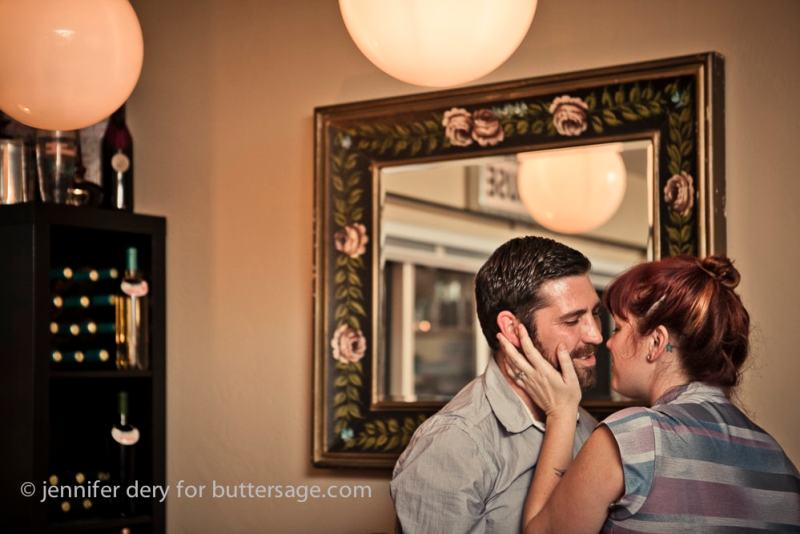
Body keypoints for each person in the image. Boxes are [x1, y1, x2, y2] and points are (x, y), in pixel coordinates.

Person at [499, 255, 800, 532]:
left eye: (618, 329)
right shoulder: (779, 460)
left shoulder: (635, 436)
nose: (606, 342)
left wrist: (561, 413)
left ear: (656, 343)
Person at [390, 236, 603, 533]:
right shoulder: (454, 443)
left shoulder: (588, 428)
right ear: (513, 329)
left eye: (595, 313)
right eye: (571, 320)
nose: (596, 335)